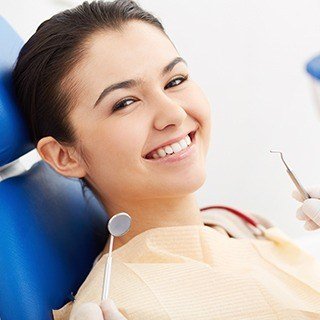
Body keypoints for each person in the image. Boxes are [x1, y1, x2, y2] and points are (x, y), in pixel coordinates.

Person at [12, 1, 320, 319]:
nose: (174, 113)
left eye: (175, 81)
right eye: (125, 102)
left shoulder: (232, 223)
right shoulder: (125, 306)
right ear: (65, 156)